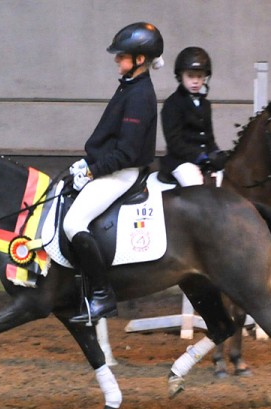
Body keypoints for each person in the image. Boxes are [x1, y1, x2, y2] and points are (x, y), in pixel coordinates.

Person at [64, 22, 164, 323]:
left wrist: (94, 171)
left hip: (122, 173)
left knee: (73, 223)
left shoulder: (140, 94)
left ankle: (102, 295)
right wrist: (87, 162)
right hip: (109, 166)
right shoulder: (129, 85)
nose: (117, 61)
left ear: (140, 60)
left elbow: (127, 152)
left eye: (122, 56)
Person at [159, 47, 228, 186]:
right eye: (190, 76)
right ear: (181, 76)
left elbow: (209, 137)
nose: (196, 81)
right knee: (196, 185)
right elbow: (174, 142)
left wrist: (216, 153)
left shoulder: (206, 104)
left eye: (200, 76)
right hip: (181, 161)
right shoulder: (172, 104)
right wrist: (200, 156)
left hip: (204, 159)